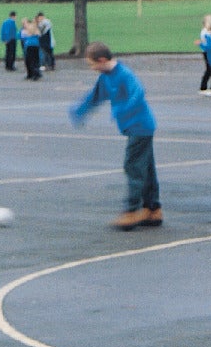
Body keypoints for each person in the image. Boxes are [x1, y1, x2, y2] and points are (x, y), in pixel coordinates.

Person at [69, 42, 161, 229]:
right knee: (146, 168)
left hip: (140, 125)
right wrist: (80, 111)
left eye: (92, 64)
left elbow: (138, 93)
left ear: (102, 60)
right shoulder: (105, 78)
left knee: (133, 166)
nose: (92, 68)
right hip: (133, 127)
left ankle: (132, 211)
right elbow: (94, 97)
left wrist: (124, 111)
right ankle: (152, 209)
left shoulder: (124, 74)